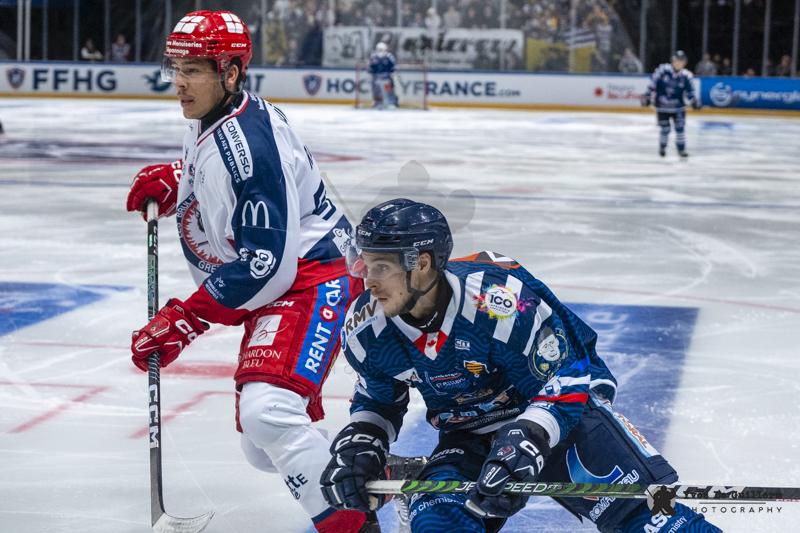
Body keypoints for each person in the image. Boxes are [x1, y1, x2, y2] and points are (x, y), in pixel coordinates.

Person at [319, 198, 722, 533]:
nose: (367, 281)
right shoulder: (366, 329)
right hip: (469, 435)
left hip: (563, 416)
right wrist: (362, 440)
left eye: (381, 267)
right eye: (364, 265)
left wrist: (528, 438)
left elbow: (566, 377)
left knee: (652, 523)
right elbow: (379, 400)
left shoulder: (500, 300)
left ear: (421, 263)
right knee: (439, 524)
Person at [125, 10, 370, 533]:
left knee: (269, 413)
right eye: (177, 67)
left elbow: (265, 265)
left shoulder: (251, 148)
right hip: (287, 275)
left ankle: (355, 524)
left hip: (312, 274)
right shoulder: (214, 119)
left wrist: (187, 320)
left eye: (194, 69)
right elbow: (225, 183)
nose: (180, 83)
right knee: (264, 447)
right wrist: (178, 182)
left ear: (231, 72)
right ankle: (357, 472)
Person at [641, 50, 701, 158]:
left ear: (684, 63)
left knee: (680, 129)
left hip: (678, 108)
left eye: (681, 61)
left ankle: (681, 150)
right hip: (662, 107)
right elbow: (652, 85)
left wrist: (694, 101)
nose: (678, 63)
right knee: (665, 129)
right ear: (672, 61)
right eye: (676, 60)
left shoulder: (686, 75)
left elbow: (690, 92)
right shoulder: (662, 70)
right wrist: (647, 96)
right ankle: (662, 147)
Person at [368, 42, 399, 109]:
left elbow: (394, 66)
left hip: (386, 77)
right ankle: (378, 102)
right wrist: (371, 72)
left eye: (381, 49)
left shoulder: (389, 56)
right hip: (376, 77)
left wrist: (392, 73)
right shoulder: (373, 56)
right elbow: (370, 67)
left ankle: (391, 103)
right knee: (377, 91)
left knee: (389, 91)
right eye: (379, 49)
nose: (380, 51)